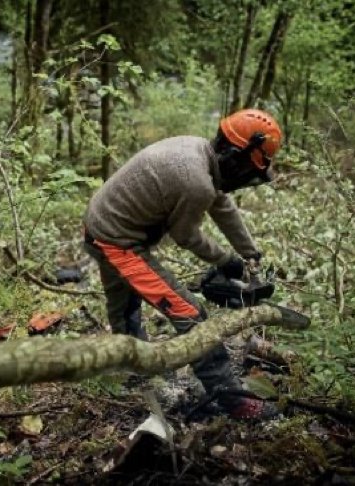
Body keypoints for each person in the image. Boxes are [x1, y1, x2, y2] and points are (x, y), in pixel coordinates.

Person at [83, 108, 283, 419]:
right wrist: (226, 260)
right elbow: (186, 236)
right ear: (234, 156)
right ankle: (230, 397)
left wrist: (250, 253)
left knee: (125, 306)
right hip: (117, 242)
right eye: (247, 172)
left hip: (101, 225)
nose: (244, 181)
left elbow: (223, 206)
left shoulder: (199, 152)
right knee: (189, 313)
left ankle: (133, 371)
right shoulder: (195, 181)